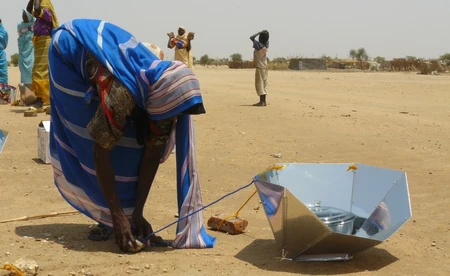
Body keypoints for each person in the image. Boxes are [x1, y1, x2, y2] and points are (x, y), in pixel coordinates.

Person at [48, 19, 215, 253]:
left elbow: (152, 153)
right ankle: (106, 216)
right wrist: (116, 215)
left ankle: (121, 215)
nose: (174, 121)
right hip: (67, 51)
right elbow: (100, 150)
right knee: (91, 135)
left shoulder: (165, 105)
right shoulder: (122, 92)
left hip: (116, 74)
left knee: (134, 142)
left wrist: (137, 214)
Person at [26, 0, 59, 112]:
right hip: (39, 42)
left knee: (42, 71)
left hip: (46, 42)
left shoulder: (45, 4)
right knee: (37, 70)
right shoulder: (39, 4)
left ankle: (42, 100)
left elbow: (42, 13)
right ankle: (41, 98)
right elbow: (29, 10)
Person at [250, 30, 269, 106]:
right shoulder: (266, 45)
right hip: (265, 66)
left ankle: (262, 102)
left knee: (260, 84)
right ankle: (264, 101)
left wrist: (259, 32)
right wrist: (264, 34)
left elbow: (251, 37)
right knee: (264, 84)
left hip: (260, 66)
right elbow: (266, 39)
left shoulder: (259, 46)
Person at [17, 9, 35, 90]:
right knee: (23, 69)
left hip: (31, 49)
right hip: (23, 49)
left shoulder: (34, 23)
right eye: (22, 15)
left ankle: (33, 90)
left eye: (25, 16)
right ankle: (27, 91)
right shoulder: (20, 25)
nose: (23, 17)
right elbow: (19, 35)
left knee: (31, 67)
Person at [0, 19, 8, 86]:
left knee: (3, 74)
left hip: (1, 56)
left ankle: (3, 93)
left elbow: (5, 45)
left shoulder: (4, 32)